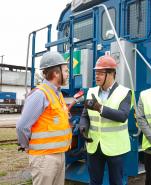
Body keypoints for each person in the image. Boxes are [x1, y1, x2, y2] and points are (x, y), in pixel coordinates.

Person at [16, 51, 72, 185]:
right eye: (65, 70)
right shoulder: (40, 94)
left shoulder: (58, 94)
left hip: (59, 154)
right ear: (56, 73)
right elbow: (22, 126)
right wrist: (27, 146)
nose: (68, 73)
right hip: (44, 158)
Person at [79, 54, 132, 185]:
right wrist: (83, 126)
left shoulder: (125, 92)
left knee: (116, 182)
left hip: (116, 147)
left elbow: (122, 116)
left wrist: (100, 108)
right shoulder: (92, 91)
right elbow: (85, 115)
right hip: (94, 146)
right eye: (96, 73)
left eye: (101, 73)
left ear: (112, 74)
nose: (96, 76)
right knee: (94, 182)